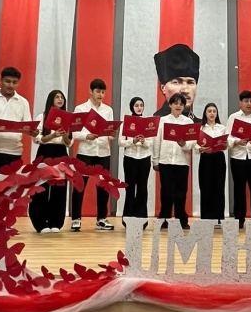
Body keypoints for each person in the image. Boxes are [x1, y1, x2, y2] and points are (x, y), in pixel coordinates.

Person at [71, 78, 116, 232]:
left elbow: (109, 132)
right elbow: (74, 132)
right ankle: (76, 219)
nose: (100, 95)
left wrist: (112, 134)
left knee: (103, 186)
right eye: (98, 91)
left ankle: (101, 219)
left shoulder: (108, 110)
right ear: (90, 91)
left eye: (103, 92)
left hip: (103, 151)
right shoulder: (80, 109)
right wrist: (86, 136)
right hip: (85, 152)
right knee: (79, 185)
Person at [28, 90, 72, 234]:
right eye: (57, 97)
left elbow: (69, 143)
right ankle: (40, 223)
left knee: (59, 189)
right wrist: (53, 135)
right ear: (50, 100)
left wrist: (64, 136)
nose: (60, 99)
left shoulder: (67, 118)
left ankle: (56, 222)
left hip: (61, 153)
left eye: (62, 97)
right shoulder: (42, 116)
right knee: (41, 188)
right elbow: (37, 139)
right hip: (45, 152)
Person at [152, 93, 196, 229]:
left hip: (182, 162)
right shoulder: (163, 120)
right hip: (165, 161)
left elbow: (193, 143)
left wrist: (184, 144)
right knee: (166, 192)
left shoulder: (188, 122)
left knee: (181, 192)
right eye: (175, 103)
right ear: (170, 105)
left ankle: (181, 220)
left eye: (181, 104)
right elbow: (157, 141)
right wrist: (155, 161)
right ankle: (164, 219)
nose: (178, 106)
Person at [225, 90, 251, 230]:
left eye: (250, 101)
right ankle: (239, 219)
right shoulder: (233, 118)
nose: (249, 103)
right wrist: (237, 141)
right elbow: (227, 138)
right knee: (239, 189)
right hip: (238, 157)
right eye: (246, 101)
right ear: (240, 103)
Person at [118, 97, 152, 226]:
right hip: (130, 158)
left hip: (144, 158)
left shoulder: (148, 123)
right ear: (132, 107)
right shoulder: (126, 122)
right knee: (130, 189)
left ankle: (142, 219)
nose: (139, 108)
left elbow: (151, 144)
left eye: (141, 105)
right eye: (136, 105)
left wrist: (144, 142)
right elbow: (120, 142)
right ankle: (128, 218)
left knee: (142, 189)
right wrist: (133, 141)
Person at [196, 102, 227, 226]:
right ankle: (206, 217)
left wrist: (225, 144)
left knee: (219, 187)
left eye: (214, 111)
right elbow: (195, 144)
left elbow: (227, 143)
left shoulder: (222, 128)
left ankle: (218, 217)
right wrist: (201, 149)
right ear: (205, 113)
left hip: (219, 158)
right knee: (205, 187)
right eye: (209, 111)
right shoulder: (201, 128)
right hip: (206, 158)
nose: (212, 113)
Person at [153, 43, 200, 119]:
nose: (185, 90)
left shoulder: (201, 125)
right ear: (163, 88)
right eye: (177, 82)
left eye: (190, 82)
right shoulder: (155, 123)